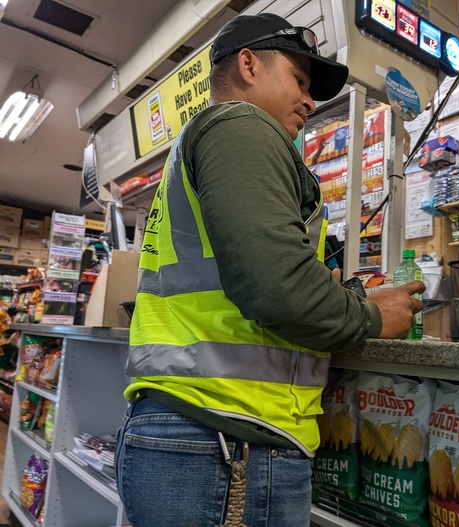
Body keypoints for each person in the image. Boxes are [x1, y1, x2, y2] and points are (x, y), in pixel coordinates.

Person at [115, 12, 425, 527]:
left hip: (206, 436)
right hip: (223, 442)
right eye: (299, 80)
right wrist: (370, 316)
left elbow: (257, 274)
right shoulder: (240, 127)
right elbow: (277, 288)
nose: (309, 101)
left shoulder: (210, 143)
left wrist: (324, 289)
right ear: (248, 65)